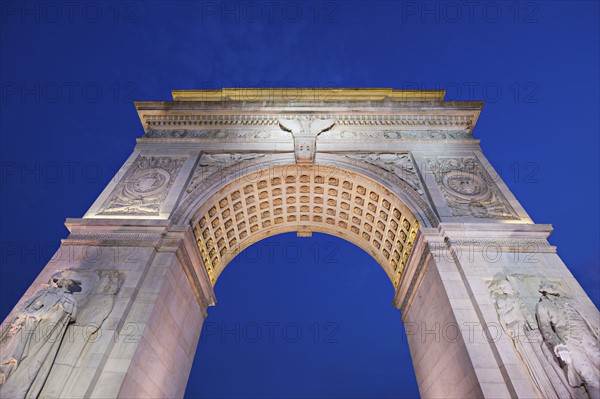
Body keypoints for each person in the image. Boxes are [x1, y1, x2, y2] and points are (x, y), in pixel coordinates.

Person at [0, 273, 78, 399]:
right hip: (21, 325)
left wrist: (36, 315)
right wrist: (27, 313)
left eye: (63, 281)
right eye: (57, 280)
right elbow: (23, 307)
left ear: (68, 285)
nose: (59, 283)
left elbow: (60, 316)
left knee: (17, 356)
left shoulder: (69, 300)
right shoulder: (42, 293)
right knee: (8, 351)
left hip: (38, 332)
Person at [536, 281, 600, 399]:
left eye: (553, 284)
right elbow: (545, 327)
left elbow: (590, 319)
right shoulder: (543, 305)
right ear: (543, 290)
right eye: (549, 285)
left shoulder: (571, 301)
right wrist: (557, 344)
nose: (553, 286)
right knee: (589, 377)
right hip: (569, 341)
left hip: (588, 338)